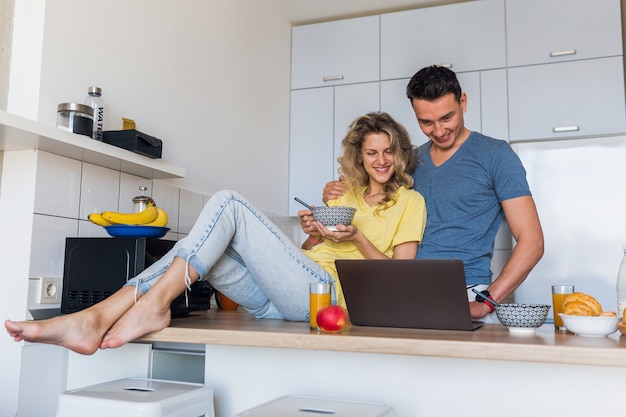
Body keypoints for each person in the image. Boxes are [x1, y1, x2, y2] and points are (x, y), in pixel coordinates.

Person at [5, 112, 426, 355]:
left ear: (400, 153)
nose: (381, 160)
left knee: (227, 203)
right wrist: (314, 234)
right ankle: (95, 317)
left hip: (329, 302)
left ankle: (110, 313)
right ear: (359, 156)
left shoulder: (410, 202)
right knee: (202, 246)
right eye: (372, 152)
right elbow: (308, 253)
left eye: (389, 151)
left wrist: (355, 238)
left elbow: (401, 279)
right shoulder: (343, 193)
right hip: (279, 301)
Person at [317, 66, 544, 321]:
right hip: (403, 293)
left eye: (447, 117)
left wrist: (487, 302)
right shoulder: (409, 162)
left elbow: (532, 242)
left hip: (464, 294)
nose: (438, 130)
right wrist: (339, 191)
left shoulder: (496, 155)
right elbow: (371, 202)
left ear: (463, 102)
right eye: (426, 122)